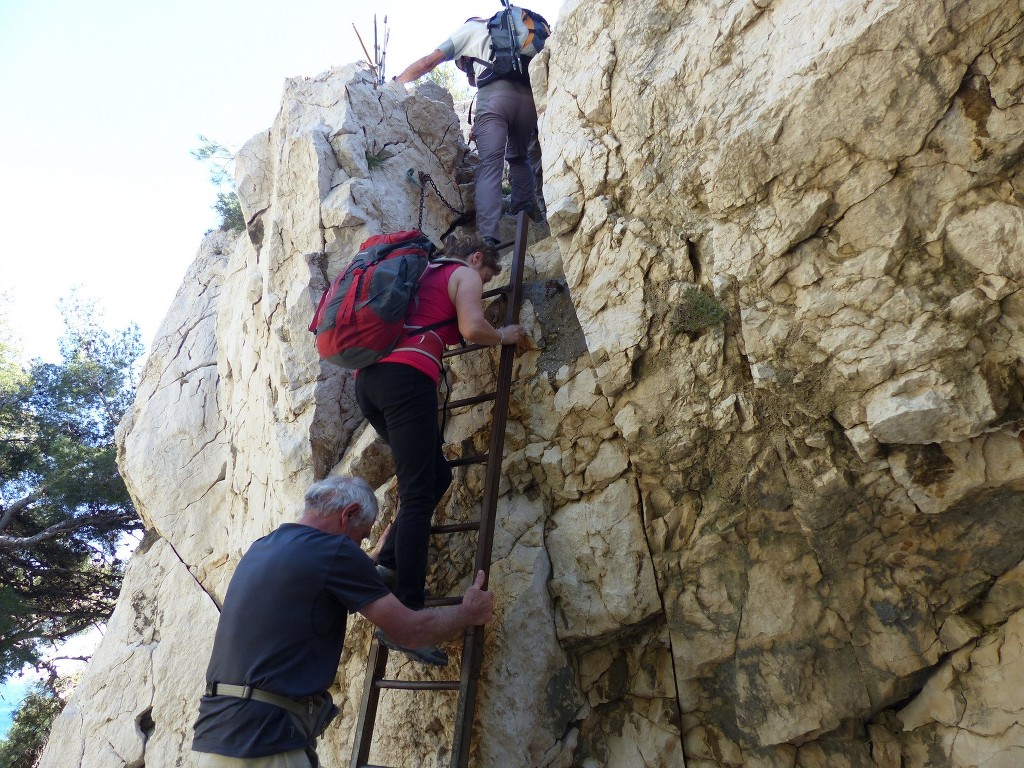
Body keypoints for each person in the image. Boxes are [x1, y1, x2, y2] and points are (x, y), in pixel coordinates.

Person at [191, 475, 494, 768]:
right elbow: (410, 632)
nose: (359, 547)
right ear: (348, 514)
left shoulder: (264, 547)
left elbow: (313, 587)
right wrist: (467, 612)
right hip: (264, 744)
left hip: (215, 739)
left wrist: (369, 559)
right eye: (361, 537)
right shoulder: (335, 552)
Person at [353, 235, 525, 665]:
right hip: (406, 380)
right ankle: (408, 617)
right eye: (485, 278)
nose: (480, 286)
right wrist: (504, 334)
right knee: (416, 494)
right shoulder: (461, 272)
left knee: (437, 475)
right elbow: (472, 328)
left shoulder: (418, 273)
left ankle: (389, 563)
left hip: (369, 383)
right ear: (477, 257)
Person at [395, 10, 542, 246]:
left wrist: (396, 82)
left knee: (490, 167)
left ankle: (488, 237)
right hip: (528, 99)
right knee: (519, 157)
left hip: (494, 99)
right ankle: (525, 218)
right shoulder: (513, 31)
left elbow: (428, 62)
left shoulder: (469, 30)